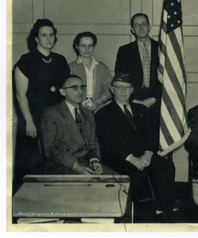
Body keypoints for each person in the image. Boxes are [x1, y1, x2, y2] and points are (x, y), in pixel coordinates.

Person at [95, 73, 175, 223]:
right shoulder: (103, 114)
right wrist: (132, 159)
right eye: (119, 88)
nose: (123, 91)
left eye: (127, 88)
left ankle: (162, 211)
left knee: (166, 166)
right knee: (135, 176)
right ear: (112, 90)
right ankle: (142, 218)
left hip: (143, 156)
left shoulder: (141, 109)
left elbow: (151, 136)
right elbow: (108, 144)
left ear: (132, 90)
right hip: (120, 158)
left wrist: (148, 155)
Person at [13, 19, 70, 184]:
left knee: (55, 159)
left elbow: (64, 90)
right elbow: (20, 95)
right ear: (36, 38)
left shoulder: (60, 60)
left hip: (55, 118)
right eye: (44, 35)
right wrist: (29, 121)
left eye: (51, 35)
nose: (49, 38)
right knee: (32, 162)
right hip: (33, 118)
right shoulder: (26, 61)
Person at [40, 74, 112, 175]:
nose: (80, 92)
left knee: (119, 182)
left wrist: (94, 161)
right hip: (61, 165)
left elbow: (93, 143)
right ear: (63, 91)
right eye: (74, 88)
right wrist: (77, 166)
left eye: (82, 87)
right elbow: (50, 149)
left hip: (86, 162)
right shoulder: (51, 114)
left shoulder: (88, 113)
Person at [114, 13, 161, 145]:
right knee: (137, 143)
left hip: (158, 103)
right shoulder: (124, 51)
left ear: (149, 26)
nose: (141, 28)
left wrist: (154, 98)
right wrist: (134, 100)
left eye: (144, 24)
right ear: (132, 30)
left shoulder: (162, 49)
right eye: (137, 25)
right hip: (133, 103)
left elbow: (168, 79)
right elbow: (121, 80)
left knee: (158, 144)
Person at [69, 31, 112, 111]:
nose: (87, 49)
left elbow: (109, 89)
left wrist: (98, 102)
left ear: (94, 47)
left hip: (99, 108)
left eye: (90, 46)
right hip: (76, 109)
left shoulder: (103, 68)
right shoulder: (70, 68)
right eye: (83, 46)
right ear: (77, 46)